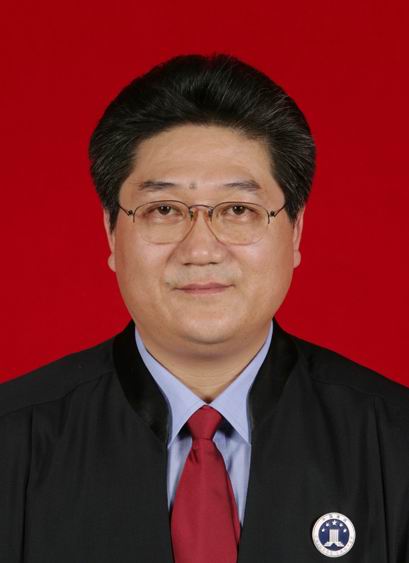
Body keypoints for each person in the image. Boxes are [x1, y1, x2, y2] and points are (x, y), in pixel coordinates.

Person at [1, 54, 408, 563]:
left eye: (238, 209)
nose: (201, 249)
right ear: (111, 232)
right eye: (163, 210)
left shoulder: (394, 442)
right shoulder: (12, 442)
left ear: (295, 232)